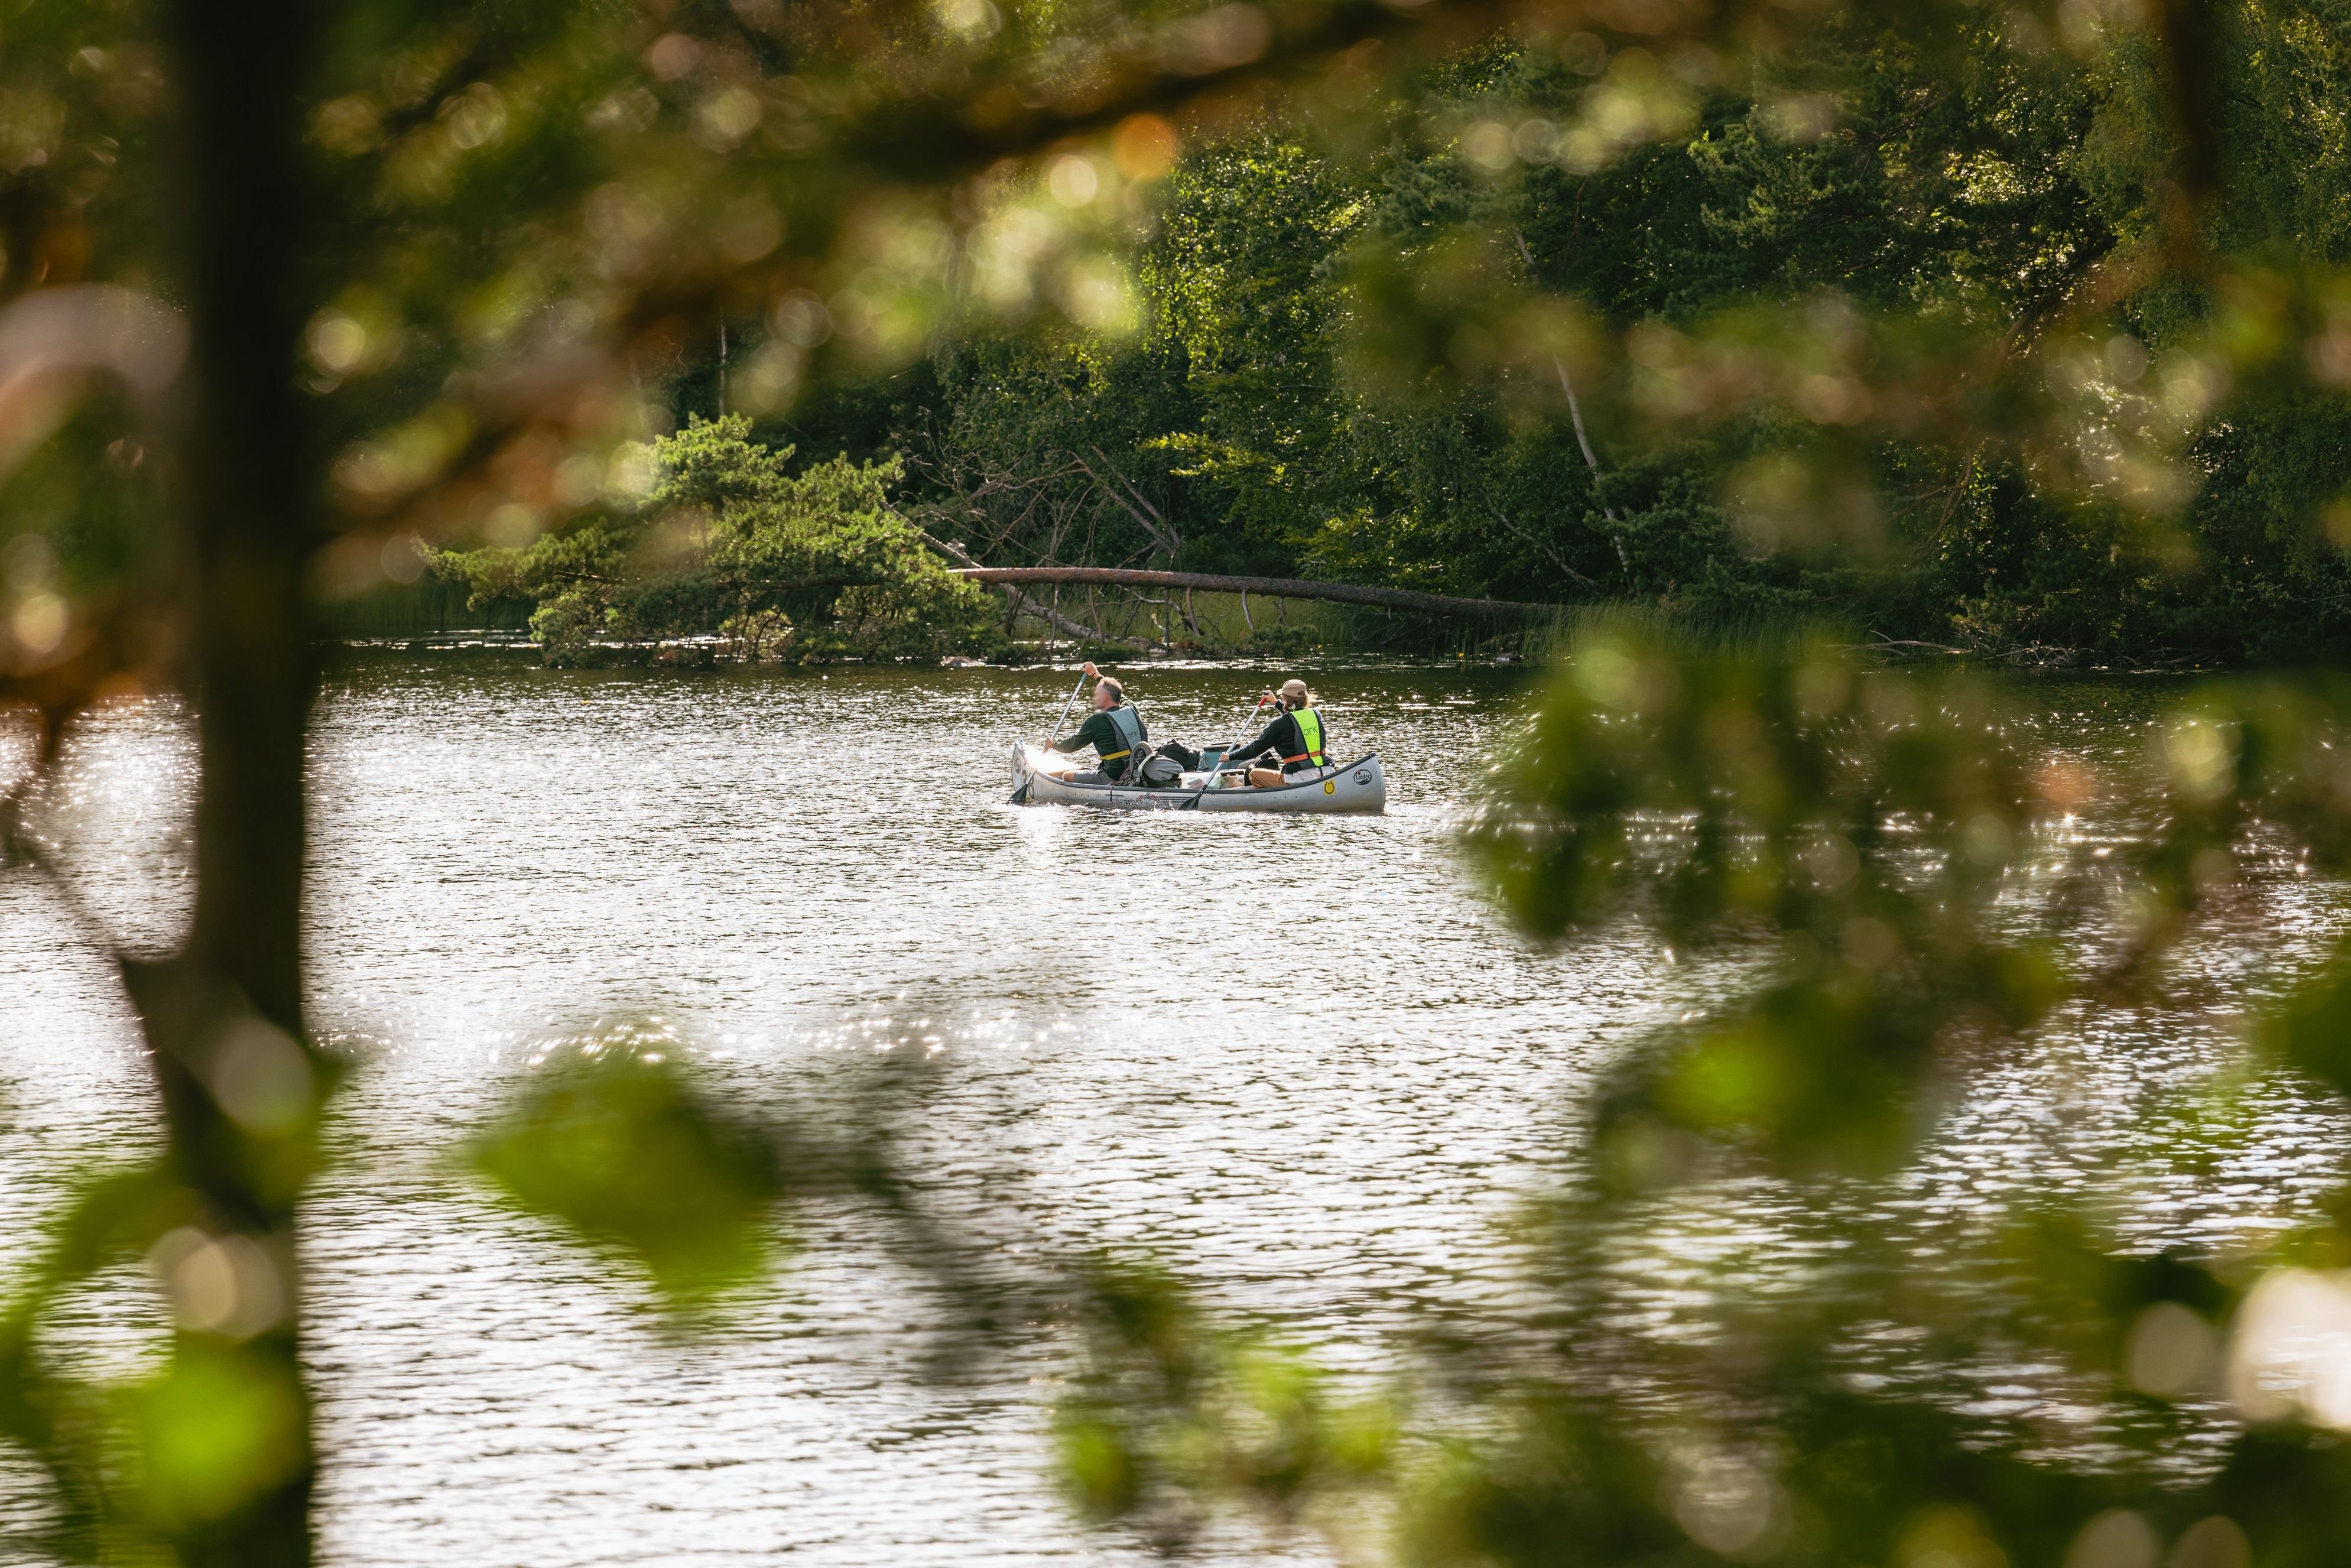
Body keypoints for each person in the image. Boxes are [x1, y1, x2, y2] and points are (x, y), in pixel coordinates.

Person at [1048, 662, 1147, 783]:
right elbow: (1118, 693)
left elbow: (1071, 746)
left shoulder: (1095, 721)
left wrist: (1053, 744)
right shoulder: (1132, 708)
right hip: (1137, 770)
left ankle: (1116, 784)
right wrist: (1096, 674)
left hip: (1113, 776)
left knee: (1067, 776)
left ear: (1105, 697)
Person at [1222, 679, 1329, 787]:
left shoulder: (1279, 724)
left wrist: (1230, 757)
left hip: (1300, 778)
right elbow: (1296, 718)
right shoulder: (1315, 715)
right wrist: (1275, 702)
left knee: (1254, 774)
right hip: (1326, 772)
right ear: (1305, 698)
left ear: (1285, 698)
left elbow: (1256, 748)